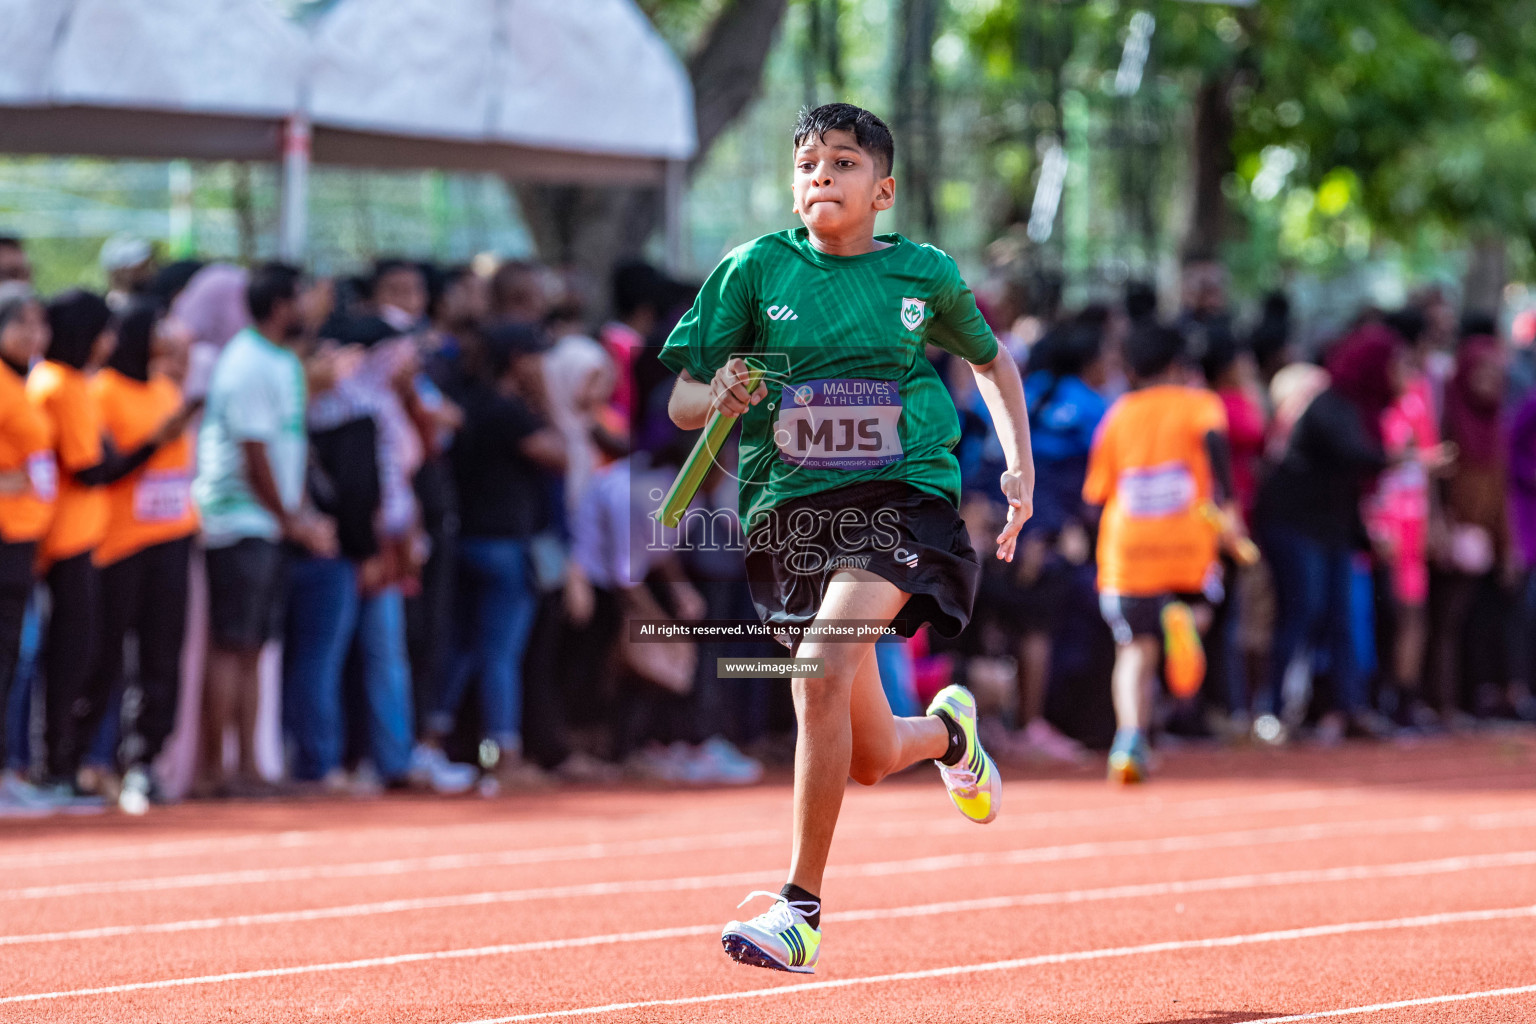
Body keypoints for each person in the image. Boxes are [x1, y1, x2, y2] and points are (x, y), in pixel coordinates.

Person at [659, 103, 1033, 974]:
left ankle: (799, 910)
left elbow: (991, 363)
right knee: (865, 754)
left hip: (902, 498)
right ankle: (949, 737)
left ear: (883, 189)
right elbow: (680, 405)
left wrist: (1018, 469)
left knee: (818, 668)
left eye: (843, 162)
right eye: (807, 164)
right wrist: (720, 390)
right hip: (790, 518)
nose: (821, 175)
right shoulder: (753, 271)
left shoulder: (922, 275)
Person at [29, 290, 184, 798]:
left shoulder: (155, 388)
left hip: (147, 534)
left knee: (144, 654)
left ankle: (112, 762)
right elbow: (94, 469)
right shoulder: (80, 387)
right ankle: (61, 762)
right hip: (96, 540)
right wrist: (153, 444)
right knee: (84, 656)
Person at [192, 263, 336, 798]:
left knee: (253, 648)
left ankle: (249, 764)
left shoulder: (276, 360)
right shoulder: (249, 361)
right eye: (303, 297)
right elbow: (254, 454)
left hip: (265, 522)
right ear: (281, 305)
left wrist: (298, 516)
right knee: (232, 645)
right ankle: (216, 769)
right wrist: (293, 520)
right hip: (239, 519)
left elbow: (284, 447)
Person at [1083, 322, 1238, 784]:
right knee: (1200, 609)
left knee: (1132, 649)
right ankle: (1186, 624)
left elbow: (1095, 495)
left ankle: (1129, 740)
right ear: (1178, 364)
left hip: (1128, 551)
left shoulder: (1118, 415)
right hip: (1187, 545)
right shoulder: (1200, 404)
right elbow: (1216, 451)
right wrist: (1228, 511)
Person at [423, 322, 567, 787]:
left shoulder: (468, 404)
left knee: (464, 648)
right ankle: (502, 752)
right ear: (516, 361)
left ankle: (431, 739)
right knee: (500, 654)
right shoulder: (510, 412)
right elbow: (562, 455)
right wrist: (545, 401)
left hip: (466, 539)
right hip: (505, 546)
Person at [1253, 325, 1403, 744]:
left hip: (1332, 526)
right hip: (1293, 523)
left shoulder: (1363, 408)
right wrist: (1401, 459)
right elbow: (1353, 455)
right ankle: (1273, 711)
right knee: (1303, 610)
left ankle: (1348, 709)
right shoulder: (1328, 404)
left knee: (1341, 616)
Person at [85, 302, 200, 812]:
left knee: (161, 654)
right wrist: (156, 443)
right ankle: (91, 758)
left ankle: (144, 761)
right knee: (106, 652)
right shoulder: (103, 392)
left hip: (172, 538)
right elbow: (105, 469)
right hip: (119, 542)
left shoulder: (164, 389)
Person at [0, 284, 53, 810]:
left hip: (22, 541)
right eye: (23, 325)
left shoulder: (24, 383)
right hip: (4, 537)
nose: (36, 336)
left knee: (12, 658)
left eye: (40, 325)